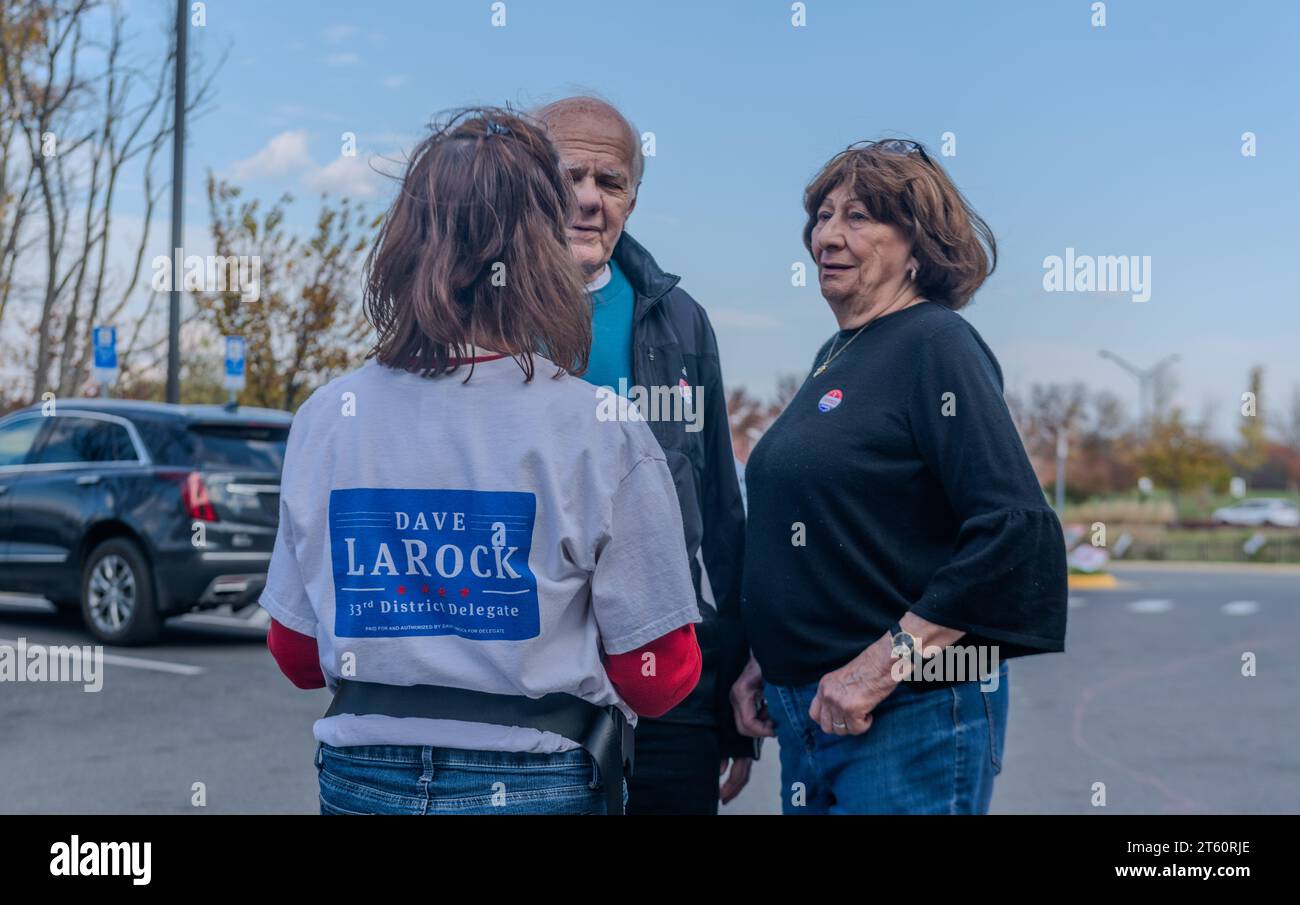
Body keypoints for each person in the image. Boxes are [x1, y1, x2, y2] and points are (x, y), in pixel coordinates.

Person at [261, 107, 703, 815]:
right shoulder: (599, 428)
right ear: (542, 251)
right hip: (537, 777)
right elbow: (659, 673)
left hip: (360, 775)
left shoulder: (326, 418)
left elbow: (293, 650)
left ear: (407, 244)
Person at [730, 139, 1068, 815]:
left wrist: (881, 666)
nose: (827, 235)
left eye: (858, 217)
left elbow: (1013, 528)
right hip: (812, 707)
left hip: (903, 713)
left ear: (918, 243)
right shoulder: (837, 355)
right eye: (822, 216)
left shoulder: (935, 343)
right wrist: (765, 655)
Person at [535, 96, 756, 815]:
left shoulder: (680, 318)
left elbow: (720, 509)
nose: (589, 199)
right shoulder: (478, 308)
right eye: (569, 176)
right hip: (526, 670)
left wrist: (729, 705)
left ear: (634, 196)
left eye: (611, 181)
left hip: (667, 668)